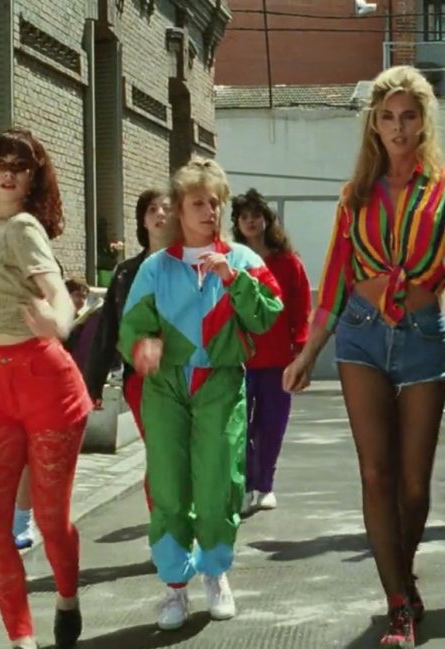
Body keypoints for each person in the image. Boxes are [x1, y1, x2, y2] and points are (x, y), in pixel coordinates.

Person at [281, 65, 445, 648]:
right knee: (376, 473)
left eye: (409, 116)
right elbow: (335, 282)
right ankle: (398, 605)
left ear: (424, 122)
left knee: (414, 486)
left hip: (422, 331)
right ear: (374, 123)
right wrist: (306, 353)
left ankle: (403, 572)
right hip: (361, 336)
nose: (398, 128)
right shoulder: (355, 195)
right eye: (387, 117)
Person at [118, 157, 283, 631]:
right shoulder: (155, 267)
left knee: (217, 480)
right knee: (168, 483)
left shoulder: (243, 260)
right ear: (179, 211)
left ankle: (215, 573)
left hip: (221, 380)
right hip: (166, 386)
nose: (209, 211)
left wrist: (233, 279)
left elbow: (266, 315)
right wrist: (141, 345)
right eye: (198, 203)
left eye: (214, 203)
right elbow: (132, 325)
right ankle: (174, 587)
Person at [0, 127, 92, 649]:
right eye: (1, 164)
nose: (9, 173)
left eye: (21, 167)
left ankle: (68, 599)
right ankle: (21, 640)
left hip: (45, 384)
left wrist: (57, 320)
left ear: (33, 180)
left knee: (50, 520)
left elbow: (58, 294)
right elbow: (1, 305)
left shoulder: (25, 227)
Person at [84, 188, 170, 510]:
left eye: (167, 208)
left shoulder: (192, 262)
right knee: (161, 454)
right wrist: (91, 385)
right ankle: (165, 533)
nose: (160, 214)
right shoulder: (125, 272)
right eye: (152, 210)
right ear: (142, 221)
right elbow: (107, 330)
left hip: (189, 375)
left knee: (185, 454)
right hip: (142, 380)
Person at [231, 188, 311, 514]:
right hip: (237, 358)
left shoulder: (288, 263)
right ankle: (247, 482)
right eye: (244, 216)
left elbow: (301, 308)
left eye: (256, 215)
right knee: (238, 426)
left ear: (267, 220)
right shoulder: (230, 260)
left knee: (272, 425)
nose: (250, 221)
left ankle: (265, 485)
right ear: (236, 222)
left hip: (278, 359)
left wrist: (301, 353)